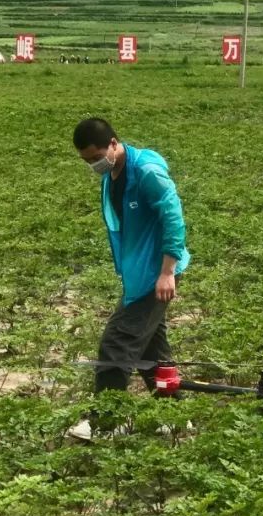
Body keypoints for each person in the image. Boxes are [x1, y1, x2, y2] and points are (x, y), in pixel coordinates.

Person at [67, 117, 190, 440]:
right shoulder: (112, 174)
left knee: (116, 342)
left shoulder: (147, 171)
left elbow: (173, 218)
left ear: (113, 143)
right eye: (87, 161)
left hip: (156, 275)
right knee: (151, 348)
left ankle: (108, 420)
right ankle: (175, 415)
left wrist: (167, 272)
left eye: (96, 156)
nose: (94, 164)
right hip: (138, 276)